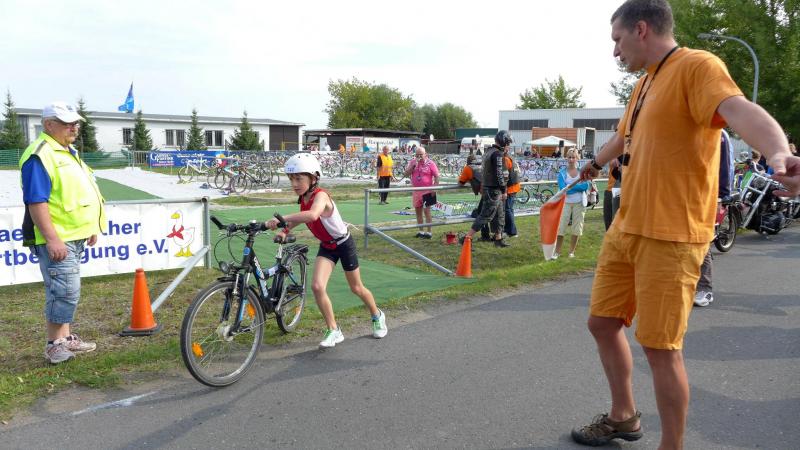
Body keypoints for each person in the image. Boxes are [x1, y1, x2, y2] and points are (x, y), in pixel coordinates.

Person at [574, 1, 800, 448]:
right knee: (602, 323)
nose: (615, 51)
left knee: (660, 348)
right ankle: (623, 417)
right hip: (627, 227)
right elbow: (623, 135)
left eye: (617, 40)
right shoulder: (645, 82)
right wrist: (594, 164)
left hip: (671, 235)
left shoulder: (697, 66)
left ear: (641, 29)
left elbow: (740, 110)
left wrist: (778, 152)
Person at [264, 153, 387, 348]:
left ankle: (377, 315)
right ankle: (334, 330)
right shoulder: (303, 199)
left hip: (343, 244)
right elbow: (301, 217)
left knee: (356, 288)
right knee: (317, 287)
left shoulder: (321, 196)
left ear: (313, 178)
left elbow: (312, 215)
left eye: (299, 179)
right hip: (327, 246)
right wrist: (284, 231)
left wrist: (282, 219)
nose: (294, 184)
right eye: (291, 179)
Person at [19, 101, 107, 364]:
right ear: (49, 125)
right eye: (67, 123)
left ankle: (65, 338)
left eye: (76, 123)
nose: (74, 127)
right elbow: (36, 201)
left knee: (66, 289)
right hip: (59, 238)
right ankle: (54, 344)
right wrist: (52, 238)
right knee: (64, 292)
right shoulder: (40, 155)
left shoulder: (66, 151)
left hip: (74, 235)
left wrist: (89, 227)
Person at [694, 129, 736, 307]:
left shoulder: (718, 133)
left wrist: (721, 196)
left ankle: (705, 289)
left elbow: (726, 166)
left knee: (701, 241)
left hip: (705, 197)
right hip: (679, 195)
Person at [460, 130, 511, 247]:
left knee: (499, 214)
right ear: (504, 141)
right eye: (508, 143)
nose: (508, 145)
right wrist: (504, 190)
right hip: (494, 190)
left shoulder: (489, 151)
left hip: (490, 188)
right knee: (486, 216)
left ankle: (498, 239)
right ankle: (467, 238)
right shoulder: (497, 154)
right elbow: (499, 174)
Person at [553, 148, 590, 259]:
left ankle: (571, 252)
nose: (571, 159)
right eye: (569, 157)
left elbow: (585, 186)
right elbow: (563, 189)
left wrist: (570, 187)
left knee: (577, 227)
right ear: (566, 158)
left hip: (580, 203)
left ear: (577, 158)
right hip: (565, 203)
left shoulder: (582, 171)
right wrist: (576, 187)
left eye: (573, 157)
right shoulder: (562, 173)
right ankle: (557, 252)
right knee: (561, 227)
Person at [404, 146, 439, 239]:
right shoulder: (412, 162)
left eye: (421, 155)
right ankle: (421, 231)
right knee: (418, 211)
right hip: (416, 191)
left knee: (427, 211)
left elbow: (437, 176)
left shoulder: (431, 163)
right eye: (417, 155)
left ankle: (429, 232)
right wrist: (413, 166)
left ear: (425, 154)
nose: (419, 156)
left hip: (427, 191)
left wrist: (434, 188)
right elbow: (406, 174)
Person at [457, 153, 491, 241]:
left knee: (482, 214)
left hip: (487, 193)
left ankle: (484, 236)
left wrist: (468, 180)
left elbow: (460, 183)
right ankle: (495, 236)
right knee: (489, 214)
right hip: (494, 190)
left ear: (467, 162)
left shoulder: (468, 168)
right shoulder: (483, 166)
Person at [504, 148, 522, 238]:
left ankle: (512, 231)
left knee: (508, 209)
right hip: (515, 186)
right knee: (509, 209)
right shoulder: (511, 158)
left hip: (511, 188)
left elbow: (505, 176)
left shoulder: (506, 159)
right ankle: (508, 229)